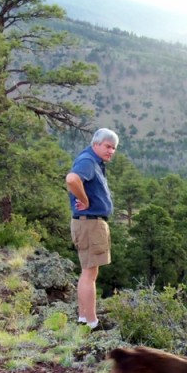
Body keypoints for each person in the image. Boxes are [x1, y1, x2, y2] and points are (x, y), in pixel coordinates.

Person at [65, 128, 118, 330]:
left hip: (89, 222)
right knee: (90, 274)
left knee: (87, 272)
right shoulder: (88, 161)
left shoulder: (94, 162)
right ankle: (92, 323)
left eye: (113, 148)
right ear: (96, 144)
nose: (111, 151)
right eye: (107, 146)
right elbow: (72, 179)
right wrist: (84, 200)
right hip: (89, 223)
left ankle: (83, 318)